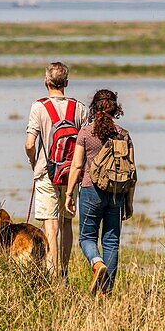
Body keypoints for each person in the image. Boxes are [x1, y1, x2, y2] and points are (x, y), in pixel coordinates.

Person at [64, 89, 136, 295]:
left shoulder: (86, 133)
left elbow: (77, 166)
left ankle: (96, 263)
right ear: (116, 109)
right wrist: (129, 202)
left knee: (86, 238)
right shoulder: (123, 134)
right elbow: (132, 171)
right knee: (111, 242)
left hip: (90, 190)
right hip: (117, 193)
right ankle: (106, 293)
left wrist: (69, 194)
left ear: (94, 108)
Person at [24, 62, 87, 277]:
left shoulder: (38, 107)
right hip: (71, 175)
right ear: (67, 83)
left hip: (46, 172)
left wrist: (34, 163)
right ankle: (64, 272)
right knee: (67, 222)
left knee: (51, 225)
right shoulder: (79, 108)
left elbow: (30, 144)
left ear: (45, 82)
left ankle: (52, 272)